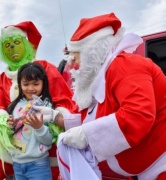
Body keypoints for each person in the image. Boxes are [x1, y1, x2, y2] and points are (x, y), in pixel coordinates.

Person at [52, 12, 166, 179]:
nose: (71, 65)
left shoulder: (125, 66)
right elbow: (92, 118)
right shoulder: (100, 79)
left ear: (90, 53)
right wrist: (54, 117)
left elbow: (137, 114)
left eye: (74, 58)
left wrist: (86, 134)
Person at [0, 21, 77, 180]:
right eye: (7, 45)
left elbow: (65, 102)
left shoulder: (45, 68)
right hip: (11, 147)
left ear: (26, 44)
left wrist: (52, 122)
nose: (12, 48)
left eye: (17, 42)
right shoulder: (0, 80)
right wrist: (3, 122)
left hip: (42, 152)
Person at [1, 62, 58, 180]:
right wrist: (10, 126)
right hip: (17, 163)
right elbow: (10, 135)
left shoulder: (46, 107)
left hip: (38, 164)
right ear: (20, 84)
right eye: (26, 84)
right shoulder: (15, 106)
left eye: (36, 84)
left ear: (43, 83)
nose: (31, 88)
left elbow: (48, 141)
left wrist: (39, 127)